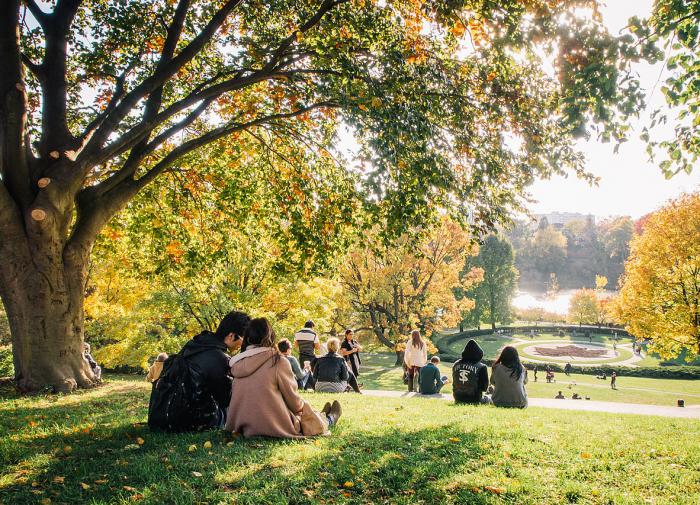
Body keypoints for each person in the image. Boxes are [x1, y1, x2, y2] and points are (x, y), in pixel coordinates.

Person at [225, 318, 341, 438]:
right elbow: (295, 404)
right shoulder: (277, 361)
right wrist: (305, 409)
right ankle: (330, 418)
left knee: (304, 413)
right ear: (270, 336)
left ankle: (320, 414)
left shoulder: (237, 364)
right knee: (307, 418)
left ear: (247, 338)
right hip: (274, 425)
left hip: (242, 427)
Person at [180, 310, 250, 427]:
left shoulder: (195, 344)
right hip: (195, 418)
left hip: (177, 410)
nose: (242, 345)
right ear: (231, 336)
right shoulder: (219, 357)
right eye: (243, 340)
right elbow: (225, 399)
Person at [452, 339, 489, 404]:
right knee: (489, 399)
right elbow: (484, 388)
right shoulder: (482, 367)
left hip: (457, 398)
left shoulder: (456, 364)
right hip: (474, 399)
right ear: (479, 354)